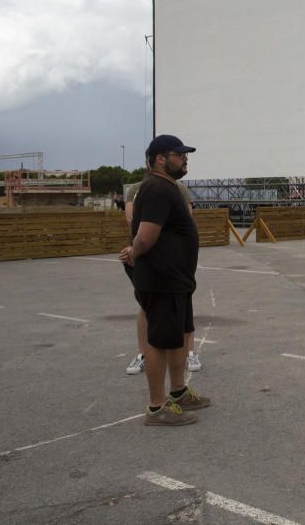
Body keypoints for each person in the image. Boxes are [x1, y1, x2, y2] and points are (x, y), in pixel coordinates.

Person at [119, 134, 211, 426]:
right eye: (179, 154)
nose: (185, 159)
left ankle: (179, 391)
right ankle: (157, 408)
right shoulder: (158, 188)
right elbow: (145, 235)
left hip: (175, 280)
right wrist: (134, 251)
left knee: (176, 339)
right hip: (161, 280)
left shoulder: (166, 187)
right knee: (159, 342)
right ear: (160, 158)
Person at [123, 176, 203, 375]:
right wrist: (137, 247)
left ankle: (189, 352)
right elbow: (132, 220)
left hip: (174, 259)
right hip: (145, 255)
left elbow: (186, 219)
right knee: (146, 306)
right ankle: (143, 355)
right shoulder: (135, 189)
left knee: (184, 304)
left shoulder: (179, 188)